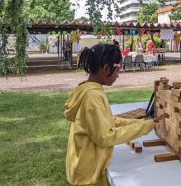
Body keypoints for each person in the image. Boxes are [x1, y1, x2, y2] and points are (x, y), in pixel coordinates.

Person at [64, 44, 162, 185]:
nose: (118, 75)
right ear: (105, 69)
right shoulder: (92, 97)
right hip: (89, 176)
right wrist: (144, 127)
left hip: (85, 165)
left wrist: (146, 123)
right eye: (118, 70)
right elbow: (106, 137)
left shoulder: (87, 89)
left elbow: (108, 121)